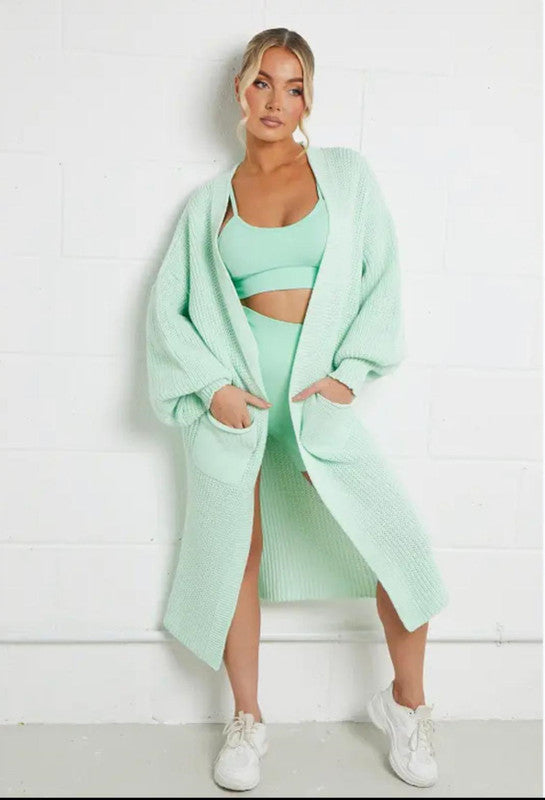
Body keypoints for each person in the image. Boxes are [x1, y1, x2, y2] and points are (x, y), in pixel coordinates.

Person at [146, 27, 449, 793]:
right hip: (239, 410)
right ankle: (247, 719)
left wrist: (351, 374)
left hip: (316, 405)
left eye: (293, 86)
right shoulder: (208, 204)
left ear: (309, 100)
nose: (275, 100)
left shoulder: (345, 176)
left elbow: (382, 277)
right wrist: (212, 388)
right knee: (234, 554)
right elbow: (167, 313)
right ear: (239, 89)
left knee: (397, 545)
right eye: (262, 81)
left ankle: (406, 704)